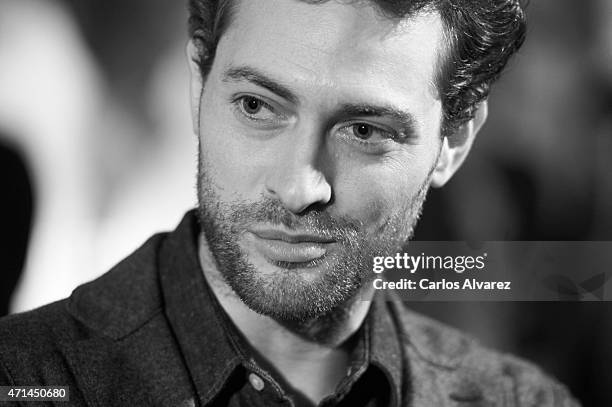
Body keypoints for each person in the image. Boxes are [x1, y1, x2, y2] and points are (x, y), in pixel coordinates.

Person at [0, 0, 579, 405]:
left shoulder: (522, 401)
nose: (301, 187)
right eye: (257, 107)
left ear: (453, 142)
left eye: (365, 131)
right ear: (199, 85)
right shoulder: (24, 380)